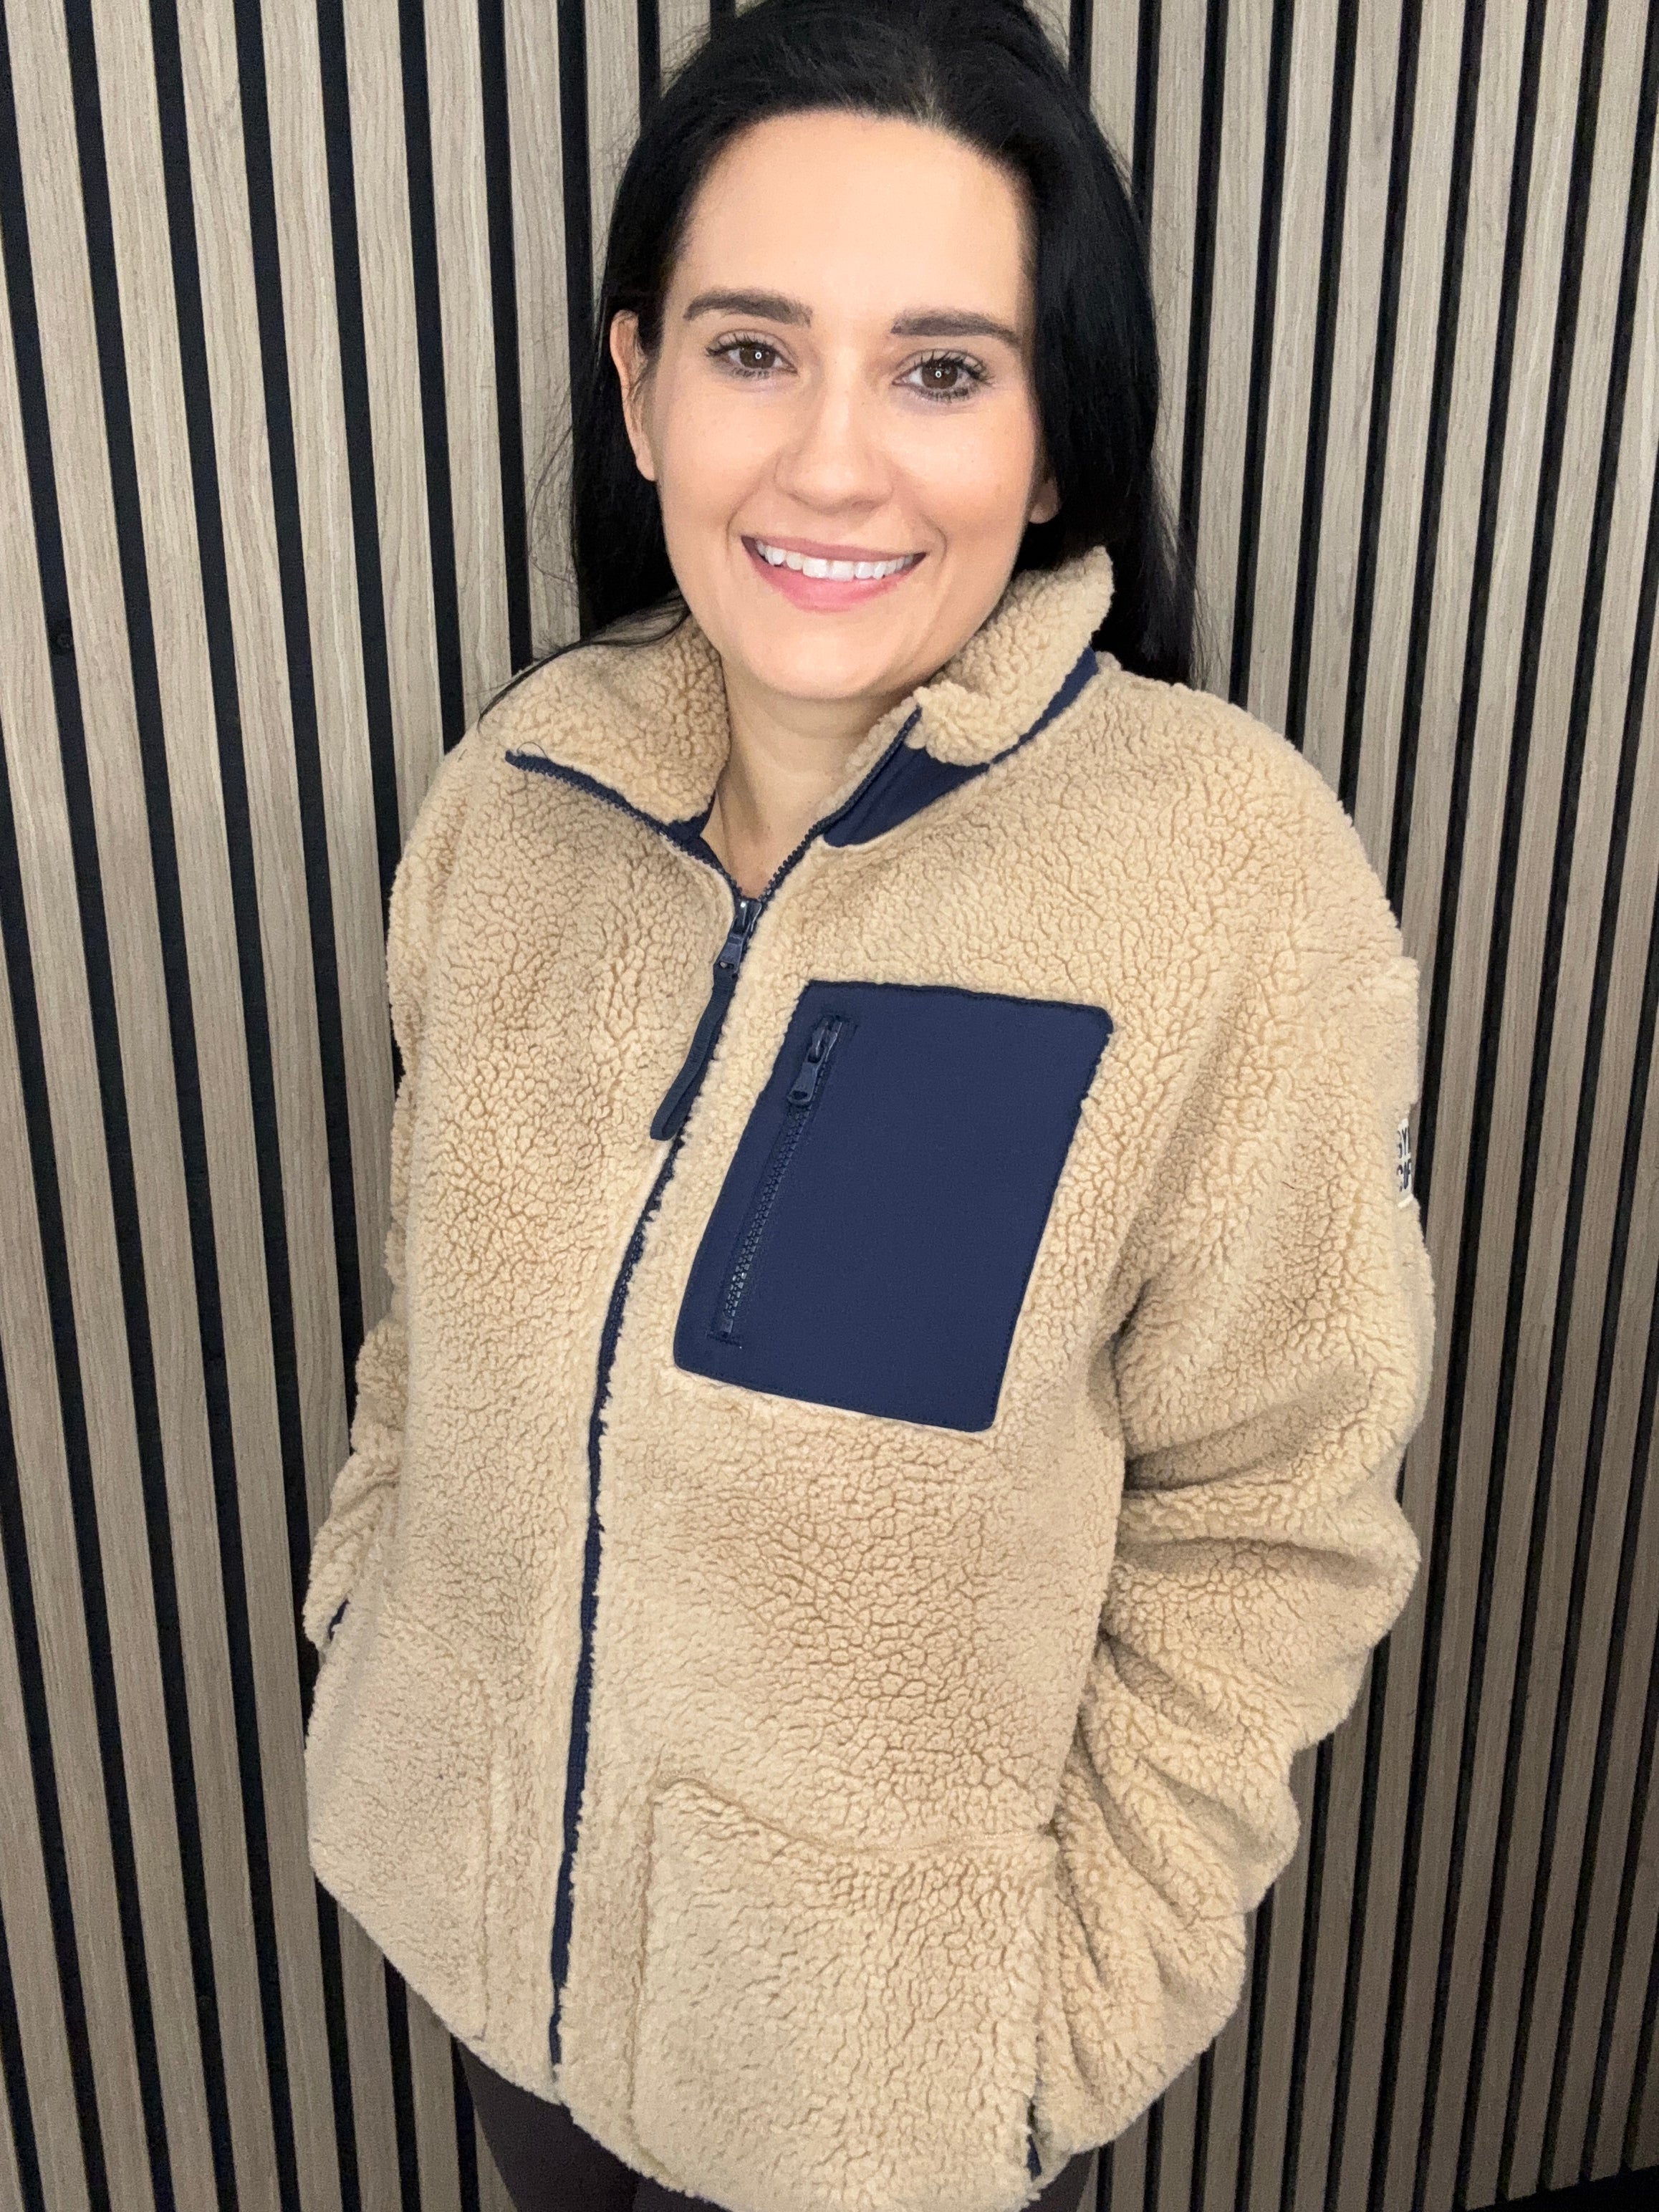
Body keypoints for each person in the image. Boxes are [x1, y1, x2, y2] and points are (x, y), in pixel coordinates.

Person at [300, 1, 1436, 2207]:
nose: (832, 462)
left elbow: (1269, 1509)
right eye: (752, 350)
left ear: (1054, 437)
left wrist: (1045, 2022)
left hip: (879, 2099)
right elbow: (429, 1314)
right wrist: (374, 1625)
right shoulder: (519, 796)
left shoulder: (1221, 882)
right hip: (487, 1974)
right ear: (641, 387)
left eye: (938, 370)